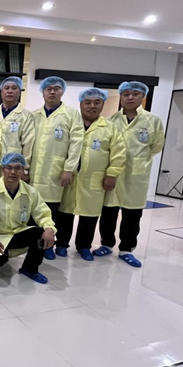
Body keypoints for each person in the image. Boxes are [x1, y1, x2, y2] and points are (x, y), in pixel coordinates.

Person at [95, 81, 165, 267]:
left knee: (132, 214)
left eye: (135, 94)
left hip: (137, 175)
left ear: (143, 96)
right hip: (113, 174)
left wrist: (140, 160)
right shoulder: (111, 120)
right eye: (126, 94)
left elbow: (156, 146)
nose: (130, 98)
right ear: (121, 97)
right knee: (108, 212)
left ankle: (126, 248)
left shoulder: (153, 121)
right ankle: (106, 244)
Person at [56, 89, 125, 260]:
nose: (92, 106)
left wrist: (112, 174)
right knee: (65, 213)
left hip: (95, 179)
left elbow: (119, 153)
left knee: (90, 215)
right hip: (70, 176)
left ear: (103, 104)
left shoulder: (110, 127)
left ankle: (84, 246)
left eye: (97, 102)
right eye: (88, 102)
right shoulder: (72, 123)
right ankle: (62, 244)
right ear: (81, 104)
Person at [29, 76, 84, 260]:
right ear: (43, 92)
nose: (52, 92)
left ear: (62, 92)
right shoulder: (34, 115)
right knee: (34, 209)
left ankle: (48, 245)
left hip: (56, 172)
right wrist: (25, 169)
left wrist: (69, 169)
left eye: (56, 88)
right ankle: (34, 244)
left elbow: (76, 143)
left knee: (52, 211)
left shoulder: (71, 114)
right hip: (35, 171)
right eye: (48, 89)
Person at [0, 153, 56, 283]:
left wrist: (49, 228)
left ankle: (30, 269)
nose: (13, 172)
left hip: (17, 232)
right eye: (9, 168)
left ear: (23, 170)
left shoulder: (31, 192)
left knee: (40, 233)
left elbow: (43, 213)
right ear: (3, 169)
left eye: (17, 168)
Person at [0, 76, 34, 168]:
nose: (10, 91)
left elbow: (28, 144)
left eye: (14, 88)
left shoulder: (26, 116)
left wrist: (25, 167)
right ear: (1, 92)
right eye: (6, 88)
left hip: (14, 165)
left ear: (19, 92)